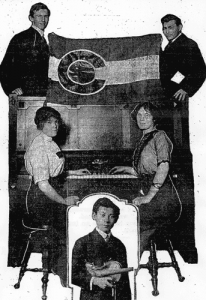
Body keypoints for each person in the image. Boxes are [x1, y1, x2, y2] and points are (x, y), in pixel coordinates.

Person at [24, 106, 90, 284]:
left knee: (78, 214)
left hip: (49, 195)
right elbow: (44, 184)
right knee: (74, 217)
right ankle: (65, 270)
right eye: (49, 122)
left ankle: (76, 266)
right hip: (40, 200)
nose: (54, 126)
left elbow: (54, 172)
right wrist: (64, 201)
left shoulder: (50, 142)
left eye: (56, 122)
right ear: (40, 124)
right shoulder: (38, 147)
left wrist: (74, 172)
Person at [110, 102, 181, 255]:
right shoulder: (145, 138)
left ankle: (131, 265)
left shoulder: (160, 136)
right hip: (152, 192)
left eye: (147, 115)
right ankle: (126, 261)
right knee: (123, 213)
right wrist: (127, 169)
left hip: (163, 198)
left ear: (154, 118)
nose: (142, 118)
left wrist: (148, 197)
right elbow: (146, 170)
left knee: (130, 216)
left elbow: (163, 167)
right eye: (139, 115)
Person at [159, 14, 206, 147]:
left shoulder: (189, 44)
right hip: (167, 98)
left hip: (177, 99)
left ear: (180, 27)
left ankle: (181, 167)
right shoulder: (169, 47)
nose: (167, 31)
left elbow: (200, 71)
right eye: (164, 28)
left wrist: (186, 88)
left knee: (178, 138)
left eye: (170, 27)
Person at [72, 197, 131, 300]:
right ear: (94, 215)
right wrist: (94, 281)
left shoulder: (119, 245)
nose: (107, 220)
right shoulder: (82, 242)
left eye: (111, 216)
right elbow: (73, 275)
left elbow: (124, 282)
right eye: (102, 215)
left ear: (116, 219)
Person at [0, 2, 51, 96]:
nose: (43, 20)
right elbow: (5, 67)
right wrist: (12, 88)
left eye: (46, 16)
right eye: (39, 16)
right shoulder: (20, 38)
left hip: (42, 96)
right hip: (24, 96)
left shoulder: (45, 39)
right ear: (31, 18)